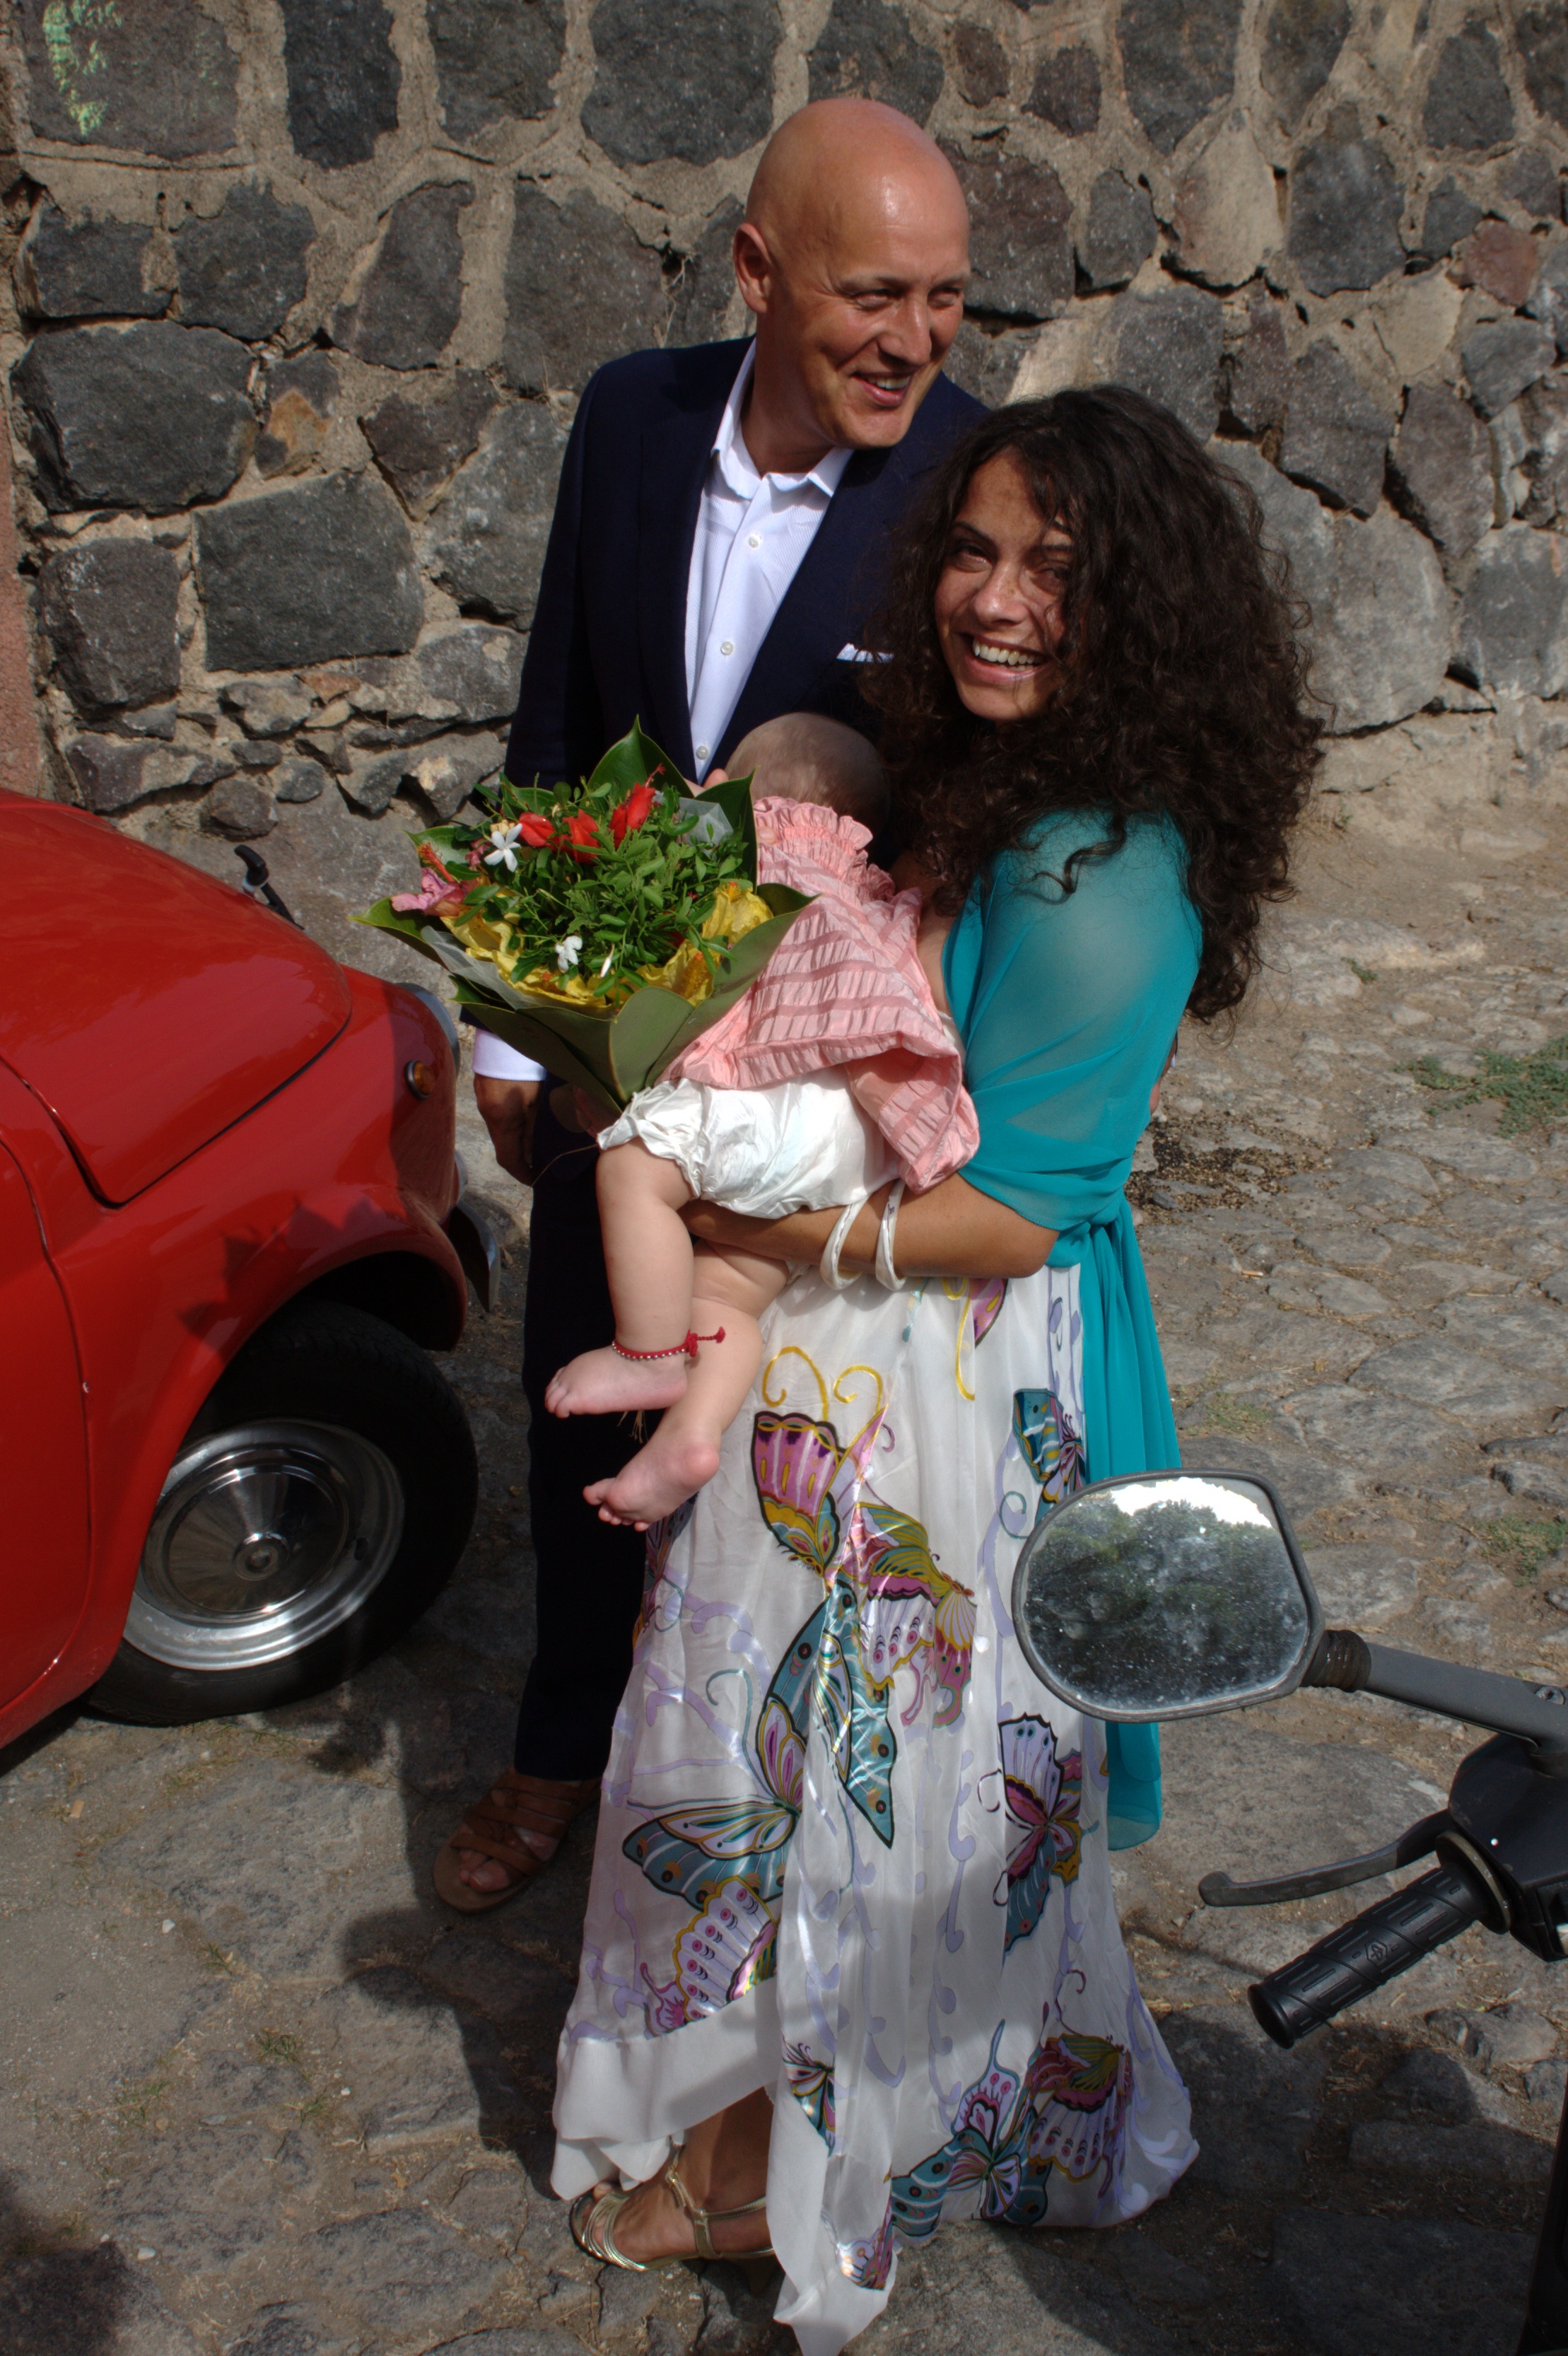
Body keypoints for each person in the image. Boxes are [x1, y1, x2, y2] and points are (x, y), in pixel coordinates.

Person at [551, 388, 1323, 2351]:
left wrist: (765, 1238)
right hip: (882, 1355)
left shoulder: (1098, 873)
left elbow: (1017, 1213)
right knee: (837, 1764)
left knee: (852, 1779)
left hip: (939, 1379)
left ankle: (787, 2160)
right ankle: (859, 2104)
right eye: (969, 551)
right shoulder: (1010, 779)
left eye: (1052, 571)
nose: (991, 599)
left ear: (1138, 605)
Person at [435, 96, 984, 1913]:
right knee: (578, 1377)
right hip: (613, 1028)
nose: (913, 340)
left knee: (780, 1440)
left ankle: (749, 1808)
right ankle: (555, 1747)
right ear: (755, 270)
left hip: (815, 1065)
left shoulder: (971, 486)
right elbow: (556, 721)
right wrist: (513, 1020)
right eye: (871, 295)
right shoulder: (630, 417)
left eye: (944, 299)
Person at [544, 714, 978, 1530]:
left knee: (632, 1168)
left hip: (781, 1108)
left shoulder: (751, 849)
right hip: (860, 1139)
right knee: (724, 1288)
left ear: (728, 791)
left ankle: (646, 1354)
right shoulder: (875, 894)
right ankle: (689, 1435)